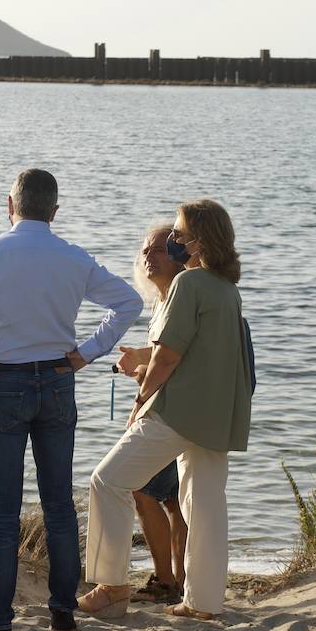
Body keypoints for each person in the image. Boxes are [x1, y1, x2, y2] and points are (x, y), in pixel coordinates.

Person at [0, 169, 143, 631]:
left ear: (10, 205)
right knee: (59, 504)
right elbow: (128, 303)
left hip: (4, 381)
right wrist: (88, 352)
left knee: (4, 507)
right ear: (55, 211)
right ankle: (62, 612)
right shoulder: (73, 257)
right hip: (57, 379)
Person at [79, 199, 251, 621]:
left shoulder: (188, 284)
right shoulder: (227, 289)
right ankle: (203, 602)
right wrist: (145, 359)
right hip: (217, 416)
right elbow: (202, 353)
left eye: (179, 233)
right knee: (204, 507)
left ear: (199, 241)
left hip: (178, 411)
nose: (172, 239)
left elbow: (168, 357)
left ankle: (112, 587)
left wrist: (140, 402)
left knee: (108, 481)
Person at [116, 224, 188, 605]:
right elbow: (165, 354)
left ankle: (166, 579)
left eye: (158, 249)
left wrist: (143, 378)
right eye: (145, 250)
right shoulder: (162, 302)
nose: (148, 256)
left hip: (169, 414)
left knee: (141, 489)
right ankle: (178, 580)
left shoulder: (180, 298)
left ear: (178, 256)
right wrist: (141, 361)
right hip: (170, 413)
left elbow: (174, 362)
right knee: (174, 500)